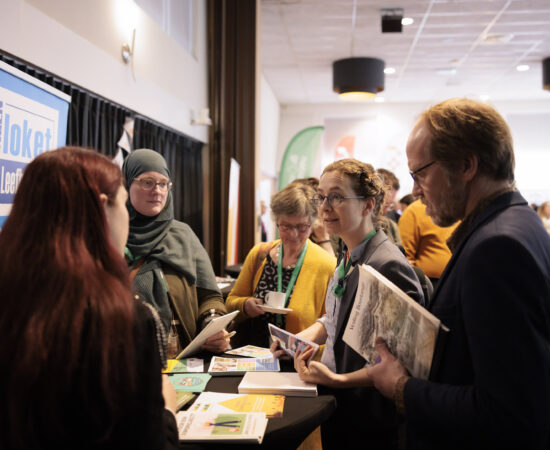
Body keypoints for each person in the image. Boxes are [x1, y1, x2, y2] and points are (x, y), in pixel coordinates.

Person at [367, 98, 550, 449]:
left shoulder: (497, 249)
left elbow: (509, 412)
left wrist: (402, 387)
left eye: (420, 174)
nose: (416, 192)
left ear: (466, 165)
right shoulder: (516, 225)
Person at [0, 147, 178, 449]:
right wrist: (166, 408)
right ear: (101, 209)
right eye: (123, 202)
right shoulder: (120, 317)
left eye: (163, 184)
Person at [287, 159, 424, 450]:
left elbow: (400, 360)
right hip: (344, 404)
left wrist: (337, 379)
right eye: (321, 196)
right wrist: (307, 336)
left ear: (367, 205)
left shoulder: (386, 265)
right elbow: (339, 317)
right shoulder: (348, 252)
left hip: (370, 418)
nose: (324, 207)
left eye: (336, 196)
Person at [123, 149, 228, 358]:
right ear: (127, 185)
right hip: (130, 362)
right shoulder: (112, 235)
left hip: (185, 362)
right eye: (147, 182)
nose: (158, 191)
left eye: (164, 183)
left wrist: (212, 326)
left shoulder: (183, 235)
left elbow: (210, 296)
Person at [226, 182, 336, 348]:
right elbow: (230, 302)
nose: (293, 234)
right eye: (286, 226)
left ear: (313, 224)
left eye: (301, 227)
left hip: (296, 361)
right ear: (276, 221)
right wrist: (245, 305)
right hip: (251, 357)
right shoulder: (260, 254)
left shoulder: (326, 264)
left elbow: (330, 325)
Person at [398, 198, 459, 288]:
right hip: (425, 284)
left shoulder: (458, 210)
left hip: (454, 282)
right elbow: (404, 257)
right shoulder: (414, 211)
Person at [377, 168, 403, 248]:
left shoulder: (392, 225)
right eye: (385, 204)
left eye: (390, 206)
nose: (385, 211)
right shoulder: (354, 224)